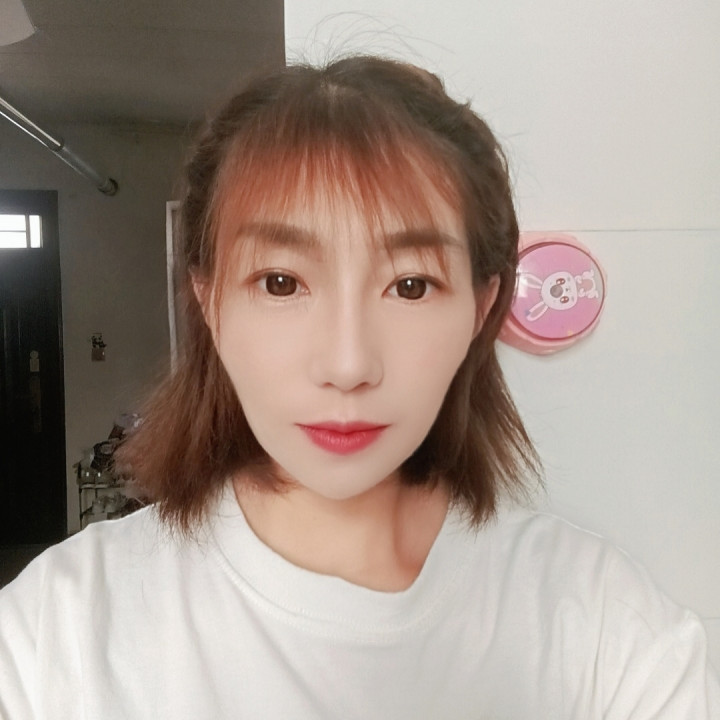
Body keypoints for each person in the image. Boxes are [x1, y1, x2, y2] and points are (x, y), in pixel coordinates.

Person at [1, 55, 718, 719]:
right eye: (281, 282)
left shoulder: (608, 634)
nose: (348, 364)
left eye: (411, 286)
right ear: (210, 300)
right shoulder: (55, 638)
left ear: (480, 308)